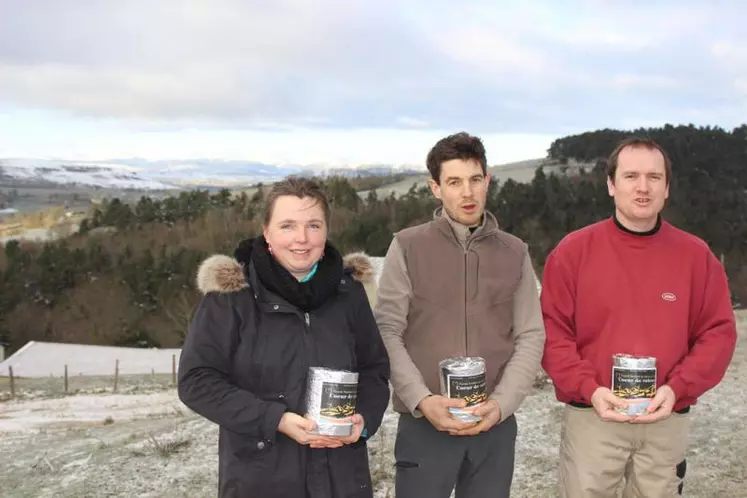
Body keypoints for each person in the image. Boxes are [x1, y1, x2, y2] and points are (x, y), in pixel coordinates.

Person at [540, 137, 738, 497]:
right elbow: (552, 333)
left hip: (665, 418)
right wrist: (590, 389)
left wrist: (678, 387)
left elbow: (718, 334)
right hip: (593, 417)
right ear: (611, 185)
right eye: (631, 176)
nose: (643, 187)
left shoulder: (695, 257)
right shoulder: (573, 252)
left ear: (667, 188)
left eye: (654, 177)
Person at [177, 177, 390, 498]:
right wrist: (274, 419)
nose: (302, 239)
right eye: (288, 225)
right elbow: (196, 381)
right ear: (267, 232)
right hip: (261, 477)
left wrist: (364, 420)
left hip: (342, 477)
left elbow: (374, 370)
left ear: (326, 231)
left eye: (314, 226)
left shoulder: (349, 293)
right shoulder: (232, 297)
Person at [374, 131, 546, 498]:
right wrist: (421, 400)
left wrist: (502, 404)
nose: (467, 193)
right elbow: (387, 329)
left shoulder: (514, 252)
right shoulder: (407, 246)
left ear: (488, 181)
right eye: (454, 182)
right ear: (435, 187)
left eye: (474, 180)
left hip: (493, 429)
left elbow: (530, 334)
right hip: (425, 425)